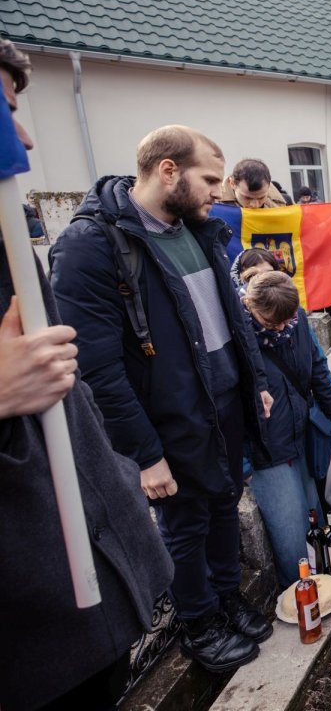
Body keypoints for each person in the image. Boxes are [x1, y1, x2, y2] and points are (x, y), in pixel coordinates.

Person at [50, 125, 276, 673]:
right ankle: (198, 623)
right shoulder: (92, 246)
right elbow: (97, 370)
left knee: (223, 503)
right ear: (168, 170)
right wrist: (144, 453)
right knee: (185, 524)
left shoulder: (195, 228)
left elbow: (230, 317)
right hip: (169, 416)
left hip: (223, 403)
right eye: (210, 180)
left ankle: (226, 598)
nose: (220, 192)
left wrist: (256, 382)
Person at [0, 38, 173, 711]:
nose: (23, 141)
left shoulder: (10, 250)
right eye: (5, 112)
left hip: (83, 588)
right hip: (25, 628)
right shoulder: (86, 247)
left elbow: (75, 384)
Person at [242, 271, 331, 585]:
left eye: (286, 321)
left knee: (315, 517)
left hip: (302, 435)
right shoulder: (237, 334)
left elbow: (318, 370)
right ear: (249, 306)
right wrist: (242, 463)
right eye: (270, 322)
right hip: (267, 450)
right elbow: (226, 405)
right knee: (293, 539)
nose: (280, 328)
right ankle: (301, 595)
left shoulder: (297, 322)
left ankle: (327, 588)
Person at [218, 158, 289, 208]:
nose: (255, 205)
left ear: (268, 186)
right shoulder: (213, 203)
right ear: (232, 183)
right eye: (247, 198)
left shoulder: (283, 204)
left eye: (261, 198)